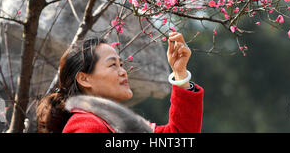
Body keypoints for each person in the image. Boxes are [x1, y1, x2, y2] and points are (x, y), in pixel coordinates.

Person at [36, 31, 204, 133]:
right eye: (113, 65)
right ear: (84, 79)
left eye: (121, 64)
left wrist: (180, 73)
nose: (123, 71)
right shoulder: (86, 125)